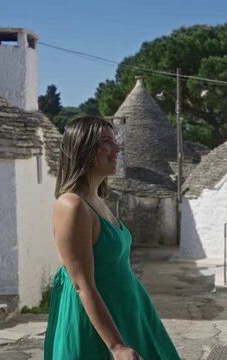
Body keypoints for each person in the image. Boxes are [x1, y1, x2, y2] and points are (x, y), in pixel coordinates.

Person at [44, 116, 181, 360]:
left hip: (129, 316)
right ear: (82, 148)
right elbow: (81, 284)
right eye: (107, 142)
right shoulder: (72, 205)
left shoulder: (99, 202)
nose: (117, 148)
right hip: (99, 331)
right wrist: (117, 346)